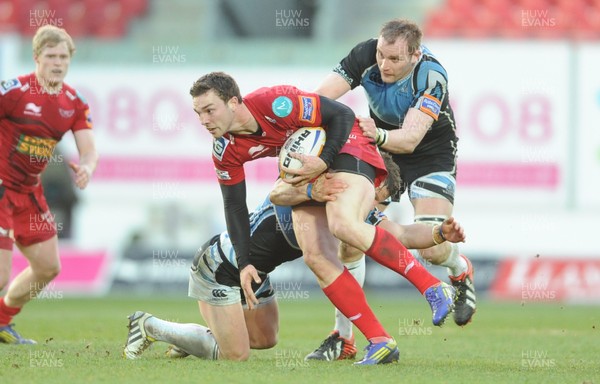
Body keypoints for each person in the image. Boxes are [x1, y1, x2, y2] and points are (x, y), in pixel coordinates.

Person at [189, 72, 455, 365]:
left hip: (345, 142)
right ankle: (380, 341)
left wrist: (325, 160)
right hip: (312, 162)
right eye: (198, 113)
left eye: (209, 110)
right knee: (316, 257)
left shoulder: (276, 104)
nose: (204, 120)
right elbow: (234, 206)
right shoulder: (225, 150)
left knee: (343, 225)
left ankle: (432, 286)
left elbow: (340, 113)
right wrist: (244, 262)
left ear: (234, 103)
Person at [123, 171, 466, 361]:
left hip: (257, 275)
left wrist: (438, 233)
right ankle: (149, 325)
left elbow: (401, 234)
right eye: (382, 199)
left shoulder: (352, 211)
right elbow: (284, 200)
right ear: (369, 185)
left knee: (265, 339)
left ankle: (188, 341)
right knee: (235, 355)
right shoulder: (320, 191)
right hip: (223, 267)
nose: (380, 208)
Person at [306, 18, 476, 359]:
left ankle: (459, 270)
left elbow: (411, 139)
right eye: (382, 55)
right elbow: (320, 99)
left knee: (431, 249)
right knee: (350, 238)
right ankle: (344, 339)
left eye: (394, 59)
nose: (384, 64)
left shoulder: (432, 75)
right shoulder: (366, 55)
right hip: (380, 151)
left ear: (414, 55)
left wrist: (377, 135)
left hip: (429, 154)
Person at [0, 25, 97, 344]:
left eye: (64, 56)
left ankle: (1, 321)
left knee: (47, 266)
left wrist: (85, 167)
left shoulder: (74, 102)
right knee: (0, 275)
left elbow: (89, 149)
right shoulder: (14, 92)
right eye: (51, 56)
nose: (58, 62)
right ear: (36, 58)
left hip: (28, 191)